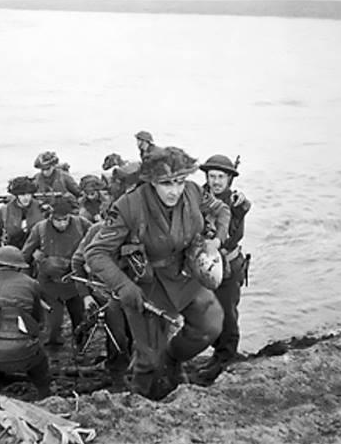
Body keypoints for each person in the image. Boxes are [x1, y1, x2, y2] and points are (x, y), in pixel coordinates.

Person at [85, 146, 231, 400]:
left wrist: (216, 240)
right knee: (149, 359)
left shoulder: (194, 192)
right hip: (146, 283)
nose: (175, 190)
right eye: (166, 184)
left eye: (179, 181)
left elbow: (221, 210)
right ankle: (140, 399)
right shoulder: (128, 206)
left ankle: (173, 358)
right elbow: (95, 253)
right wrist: (123, 286)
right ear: (152, 182)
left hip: (185, 274)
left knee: (210, 325)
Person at [0, 246, 50, 410]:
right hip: (20, 352)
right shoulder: (31, 283)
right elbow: (38, 320)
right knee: (40, 363)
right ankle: (45, 396)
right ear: (19, 268)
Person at [197, 154, 251, 382]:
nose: (216, 181)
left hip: (228, 265)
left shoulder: (235, 202)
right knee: (208, 311)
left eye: (221, 177)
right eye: (212, 176)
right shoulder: (200, 197)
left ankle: (226, 358)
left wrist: (216, 240)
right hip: (205, 265)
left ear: (229, 179)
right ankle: (217, 353)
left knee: (227, 313)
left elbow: (235, 234)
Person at [71, 216, 132, 390]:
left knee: (135, 332)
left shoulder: (139, 233)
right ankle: (117, 373)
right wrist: (85, 296)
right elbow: (77, 262)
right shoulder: (95, 231)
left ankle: (130, 365)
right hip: (104, 292)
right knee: (118, 335)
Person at [22, 198, 92, 345]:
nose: (62, 223)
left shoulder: (82, 224)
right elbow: (25, 256)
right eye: (57, 220)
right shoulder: (39, 228)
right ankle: (53, 347)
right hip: (49, 285)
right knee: (52, 327)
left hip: (75, 281)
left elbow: (97, 242)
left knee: (80, 321)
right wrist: (27, 281)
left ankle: (81, 346)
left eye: (65, 219)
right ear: (50, 217)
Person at [0, 176, 44, 251]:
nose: (26, 198)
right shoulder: (5, 210)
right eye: (22, 195)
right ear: (16, 195)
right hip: (12, 248)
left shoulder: (42, 208)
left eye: (28, 194)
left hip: (36, 249)